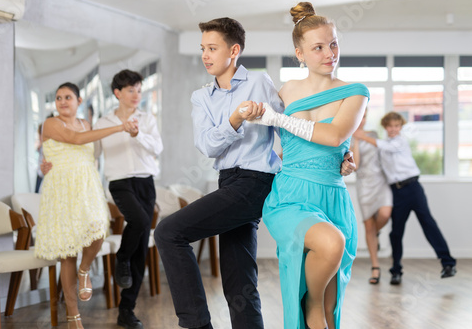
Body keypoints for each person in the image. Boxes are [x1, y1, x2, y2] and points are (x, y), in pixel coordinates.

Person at [154, 17, 355, 329]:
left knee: (168, 232)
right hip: (228, 182)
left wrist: (340, 154)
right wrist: (234, 119)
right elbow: (207, 146)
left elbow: (291, 124)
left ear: (234, 50)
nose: (206, 55)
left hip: (256, 181)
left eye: (212, 48)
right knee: (239, 280)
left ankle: (196, 325)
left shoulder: (260, 82)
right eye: (203, 48)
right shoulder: (201, 97)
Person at [248, 2, 369, 329]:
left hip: (331, 198)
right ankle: (308, 301)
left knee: (330, 314)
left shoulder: (355, 93)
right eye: (318, 47)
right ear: (299, 54)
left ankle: (313, 307)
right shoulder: (284, 92)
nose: (330, 53)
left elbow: (333, 136)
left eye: (333, 43)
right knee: (331, 247)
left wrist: (345, 159)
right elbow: (277, 149)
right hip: (290, 196)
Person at [34, 82, 138, 329]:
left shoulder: (87, 124)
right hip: (60, 191)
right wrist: (120, 127)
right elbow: (76, 140)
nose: (62, 101)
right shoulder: (50, 123)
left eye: (68, 97)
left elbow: (90, 152)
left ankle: (85, 269)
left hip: (86, 188)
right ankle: (73, 317)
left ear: (79, 101)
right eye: (58, 98)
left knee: (99, 229)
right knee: (67, 252)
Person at [94, 69, 163, 329]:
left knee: (141, 237)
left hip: (145, 181)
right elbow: (93, 154)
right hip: (119, 183)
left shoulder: (146, 119)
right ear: (117, 93)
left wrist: (138, 135)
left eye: (139, 90)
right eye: (131, 90)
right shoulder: (103, 122)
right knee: (141, 221)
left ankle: (126, 310)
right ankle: (121, 258)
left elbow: (158, 148)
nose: (136, 95)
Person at [354, 111, 457, 285]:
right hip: (396, 192)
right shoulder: (382, 144)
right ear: (385, 127)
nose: (393, 129)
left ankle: (448, 263)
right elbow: (376, 159)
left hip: (413, 188)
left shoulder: (399, 142)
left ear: (401, 127)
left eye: (397, 126)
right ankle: (396, 271)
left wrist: (361, 136)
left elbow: (385, 147)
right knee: (396, 232)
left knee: (428, 224)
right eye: (390, 126)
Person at [351, 111, 392, 284]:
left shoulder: (374, 134)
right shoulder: (348, 137)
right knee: (368, 226)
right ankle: (375, 267)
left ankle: (375, 234)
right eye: (359, 117)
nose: (363, 120)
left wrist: (363, 136)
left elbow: (384, 154)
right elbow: (356, 165)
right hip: (364, 185)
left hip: (380, 182)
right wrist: (357, 139)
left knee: (385, 214)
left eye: (365, 116)